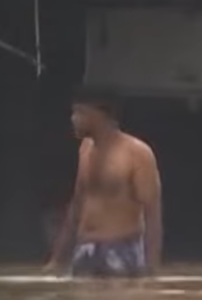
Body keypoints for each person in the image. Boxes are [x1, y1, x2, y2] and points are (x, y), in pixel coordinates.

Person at [45, 94, 162, 279]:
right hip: (85, 247)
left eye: (80, 112)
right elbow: (77, 205)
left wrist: (150, 267)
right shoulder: (85, 148)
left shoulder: (137, 153)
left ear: (99, 115)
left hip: (121, 247)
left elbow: (152, 213)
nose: (73, 118)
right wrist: (57, 259)